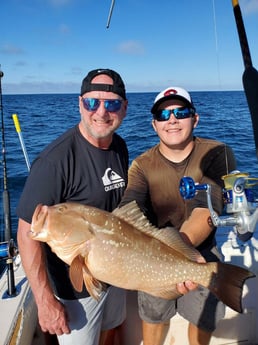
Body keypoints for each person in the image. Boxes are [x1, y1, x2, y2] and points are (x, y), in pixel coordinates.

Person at [16, 68, 129, 345]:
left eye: (112, 103)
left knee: (112, 330)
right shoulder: (55, 162)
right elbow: (26, 233)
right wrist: (44, 301)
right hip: (75, 287)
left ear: (124, 108)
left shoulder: (120, 147)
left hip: (113, 272)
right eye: (92, 102)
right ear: (80, 104)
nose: (101, 112)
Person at [120, 86, 237, 345]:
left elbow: (205, 208)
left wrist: (181, 252)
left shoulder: (218, 153)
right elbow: (130, 208)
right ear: (154, 125)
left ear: (195, 118)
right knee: (154, 316)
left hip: (201, 253)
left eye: (180, 112)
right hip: (149, 255)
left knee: (202, 319)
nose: (172, 119)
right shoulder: (141, 164)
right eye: (163, 115)